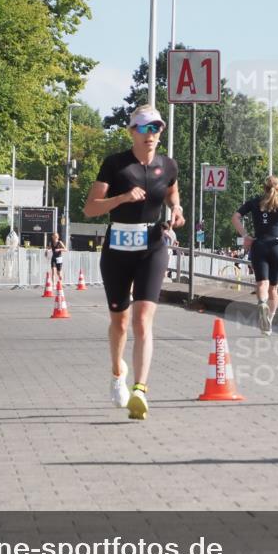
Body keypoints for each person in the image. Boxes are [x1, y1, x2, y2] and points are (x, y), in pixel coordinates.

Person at [83, 105, 185, 420]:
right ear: (132, 131)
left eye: (156, 128)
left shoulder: (168, 166)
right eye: (145, 128)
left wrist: (177, 210)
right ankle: (118, 373)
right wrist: (122, 198)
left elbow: (171, 194)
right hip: (117, 248)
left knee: (143, 320)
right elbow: (90, 208)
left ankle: (140, 390)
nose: (151, 134)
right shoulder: (115, 165)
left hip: (152, 246)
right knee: (120, 322)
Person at [231, 175, 278, 336]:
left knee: (262, 284)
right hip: (277, 247)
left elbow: (235, 217)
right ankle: (268, 320)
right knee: (273, 288)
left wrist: (246, 236)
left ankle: (262, 303)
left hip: (259, 246)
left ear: (264, 187)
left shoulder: (254, 202)